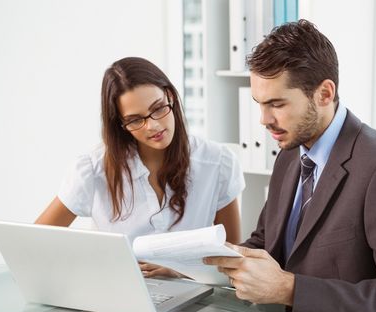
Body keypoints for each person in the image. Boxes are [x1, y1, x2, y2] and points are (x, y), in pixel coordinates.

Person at [204, 19, 376, 312]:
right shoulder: (290, 153)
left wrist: (290, 289)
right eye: (260, 105)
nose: (264, 120)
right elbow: (267, 244)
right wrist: (200, 264)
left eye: (277, 104)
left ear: (325, 93)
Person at [36, 57, 245, 277]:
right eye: (135, 120)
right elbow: (34, 243)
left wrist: (179, 272)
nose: (153, 126)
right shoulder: (92, 170)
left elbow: (232, 265)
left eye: (158, 108)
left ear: (170, 96)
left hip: (196, 300)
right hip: (119, 297)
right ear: (121, 125)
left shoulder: (217, 162)